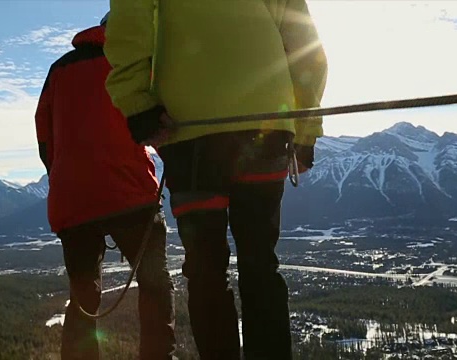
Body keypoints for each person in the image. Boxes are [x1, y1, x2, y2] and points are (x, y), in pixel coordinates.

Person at [104, 0, 327, 358]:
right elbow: (306, 45)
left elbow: (130, 18)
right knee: (261, 264)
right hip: (266, 124)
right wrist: (305, 130)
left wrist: (136, 102)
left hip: (192, 129)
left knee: (206, 269)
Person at [35, 13, 176, 360]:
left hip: (73, 199)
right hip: (131, 193)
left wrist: (65, 175)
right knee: (155, 282)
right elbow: (159, 124)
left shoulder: (58, 70)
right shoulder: (133, 63)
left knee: (83, 295)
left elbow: (43, 135)